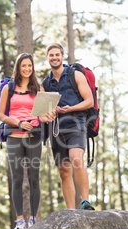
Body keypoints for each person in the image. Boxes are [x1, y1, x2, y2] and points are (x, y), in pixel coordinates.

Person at [0, 53, 56, 229]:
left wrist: (49, 116)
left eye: (29, 66)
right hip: (15, 136)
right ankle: (20, 221)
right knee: (16, 179)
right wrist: (19, 122)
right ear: (18, 67)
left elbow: (44, 116)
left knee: (33, 179)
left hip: (33, 137)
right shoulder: (9, 87)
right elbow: (0, 115)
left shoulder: (38, 88)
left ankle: (33, 219)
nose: (27, 69)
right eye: (24, 66)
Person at [41, 43, 95, 210]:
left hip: (76, 123)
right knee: (64, 171)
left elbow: (89, 101)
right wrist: (49, 113)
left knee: (76, 158)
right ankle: (71, 211)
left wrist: (71, 108)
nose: (54, 58)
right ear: (47, 58)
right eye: (51, 55)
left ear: (62, 56)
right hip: (56, 129)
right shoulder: (45, 83)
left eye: (57, 54)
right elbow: (42, 113)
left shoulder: (75, 75)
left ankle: (85, 201)